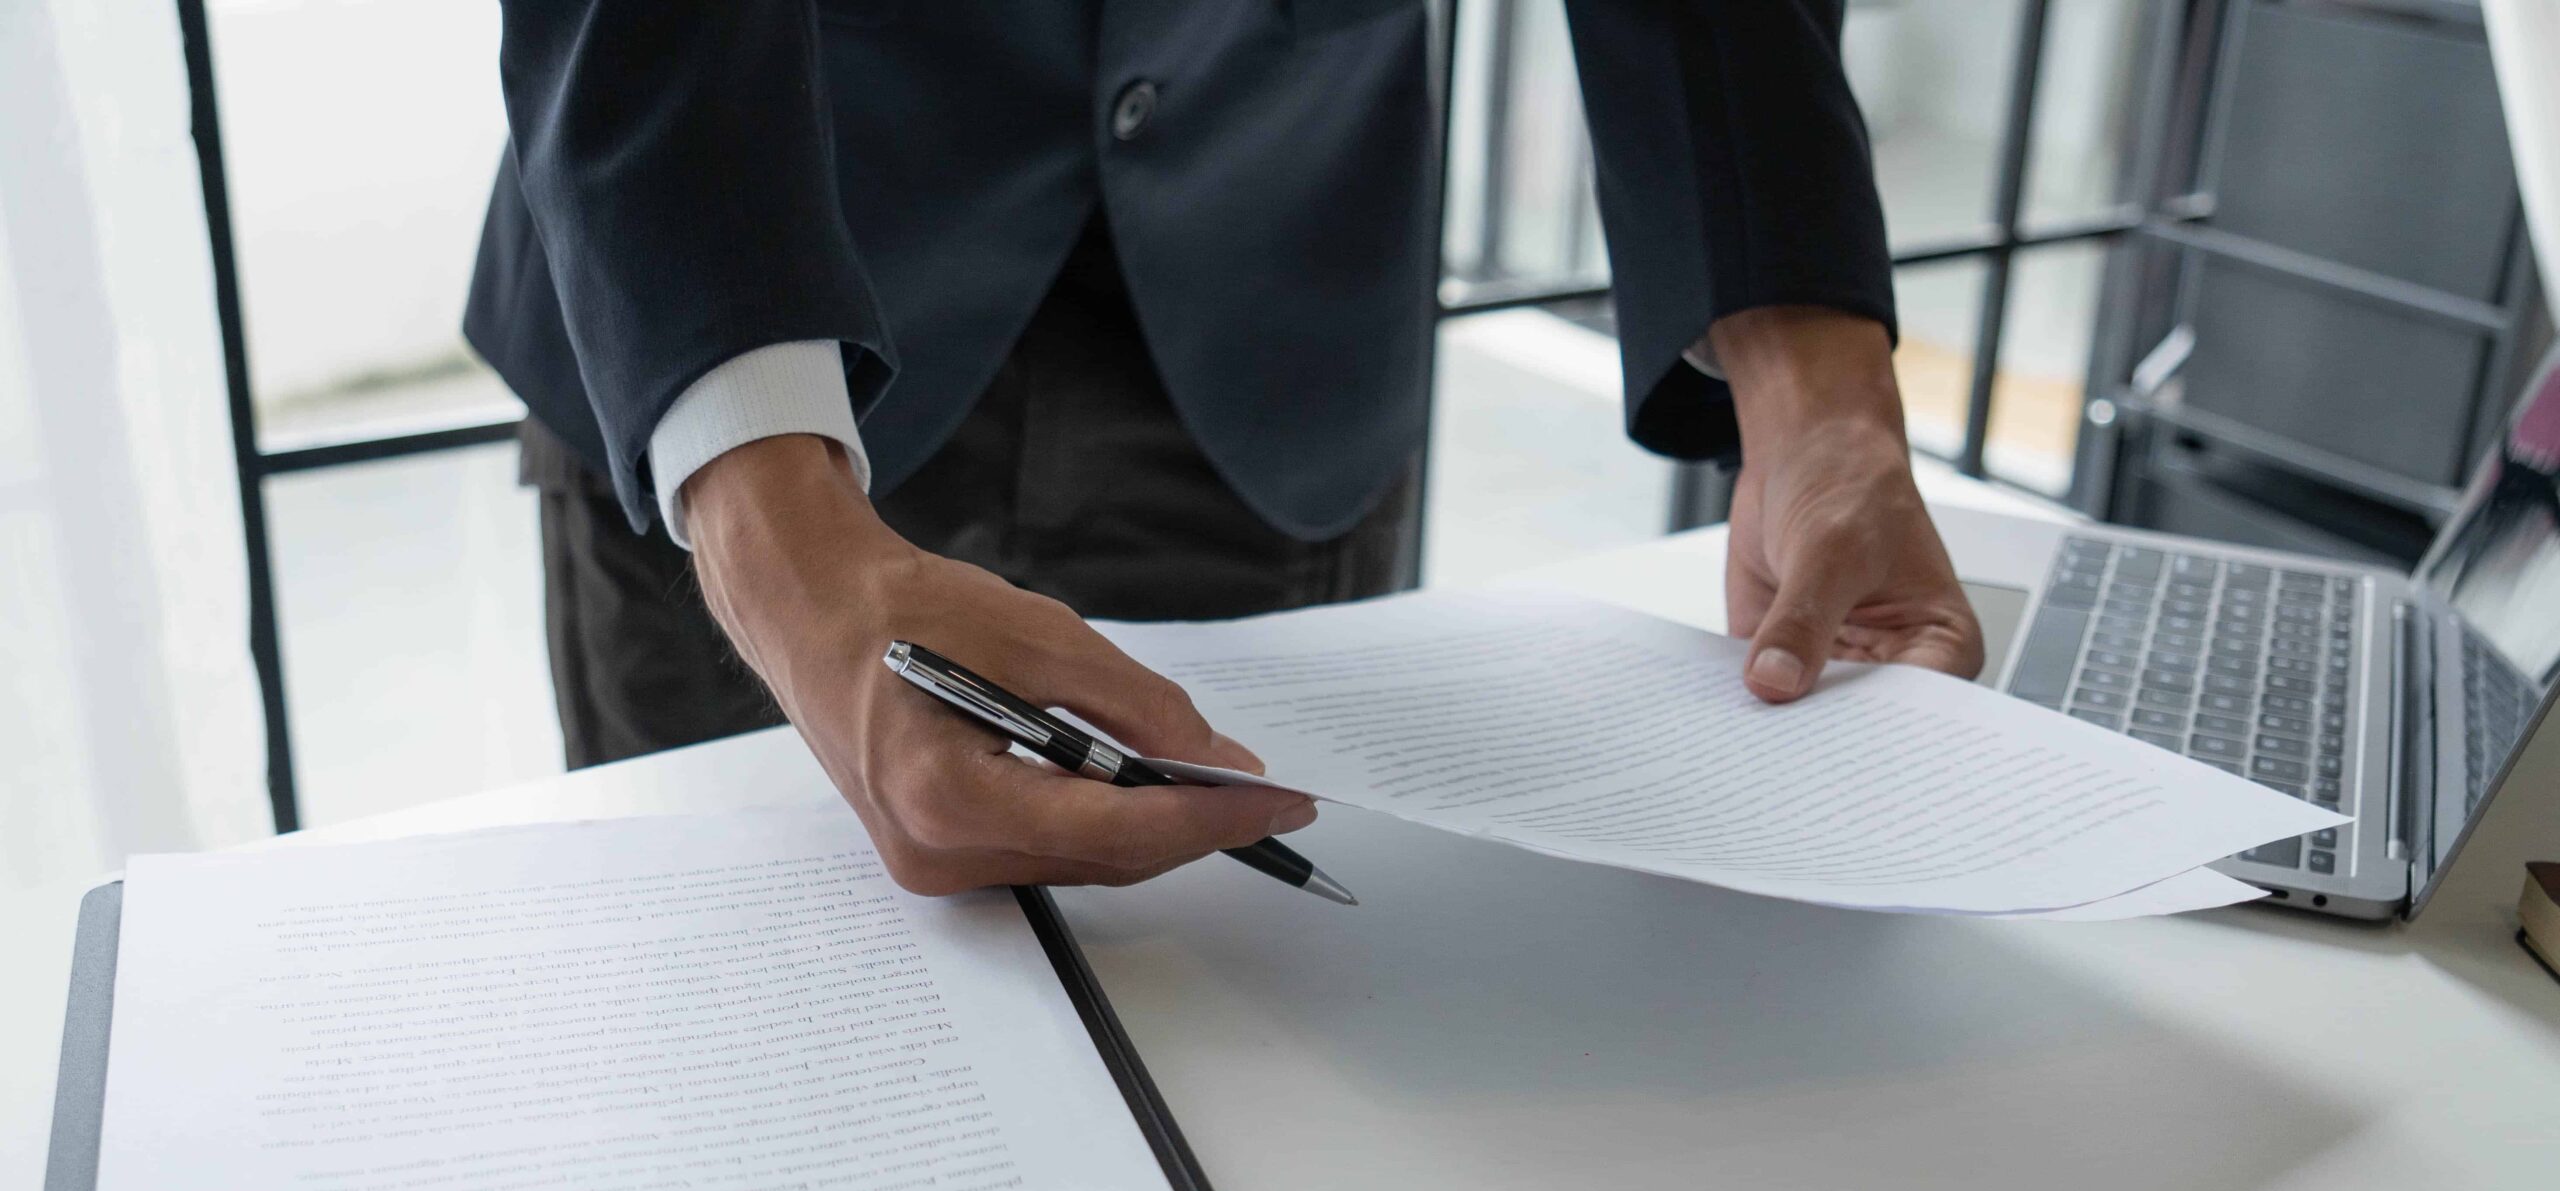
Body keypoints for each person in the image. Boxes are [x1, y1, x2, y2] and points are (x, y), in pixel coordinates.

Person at [464, 1, 1983, 897]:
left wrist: (1819, 385)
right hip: (733, 294)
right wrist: (768, 523)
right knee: (761, 1041)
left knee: (1278, 1029)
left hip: (1272, 303)